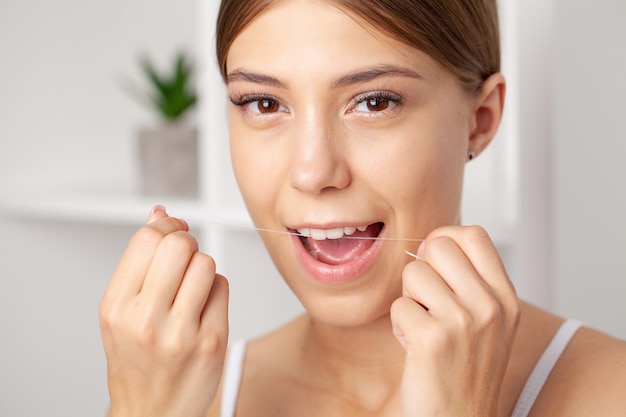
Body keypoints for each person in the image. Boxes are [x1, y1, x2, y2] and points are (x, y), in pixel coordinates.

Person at [99, 1, 626, 416]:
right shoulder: (178, 393)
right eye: (264, 103)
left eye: (375, 102)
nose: (312, 171)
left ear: (481, 119)